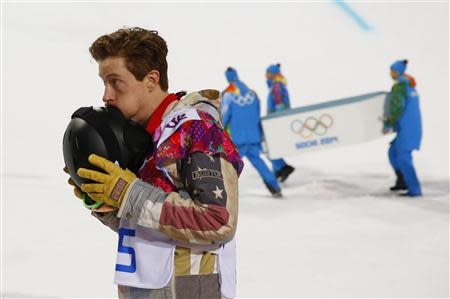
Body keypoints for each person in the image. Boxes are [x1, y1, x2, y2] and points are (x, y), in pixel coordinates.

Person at [65, 27, 243, 299]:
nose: (106, 95)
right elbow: (154, 230)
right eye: (104, 83)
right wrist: (108, 205)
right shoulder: (144, 137)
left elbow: (217, 221)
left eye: (115, 82)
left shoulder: (196, 129)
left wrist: (127, 193)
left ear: (150, 79)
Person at [221, 67, 282, 198]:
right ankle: (275, 187)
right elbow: (257, 113)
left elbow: (224, 116)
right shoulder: (252, 94)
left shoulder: (228, 95)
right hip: (253, 136)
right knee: (258, 162)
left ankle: (220, 193)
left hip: (237, 139)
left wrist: (219, 131)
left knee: (229, 166)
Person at [384, 59, 422, 197]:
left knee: (403, 158)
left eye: (392, 70)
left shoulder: (400, 87)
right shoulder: (410, 86)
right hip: (411, 128)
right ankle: (402, 181)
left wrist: (388, 123)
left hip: (407, 129)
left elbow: (397, 107)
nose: (390, 73)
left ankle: (414, 189)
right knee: (393, 153)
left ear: (397, 72)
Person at [265, 63, 295, 182]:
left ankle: (282, 168)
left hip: (276, 122)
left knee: (270, 147)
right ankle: (277, 172)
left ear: (272, 74)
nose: (266, 76)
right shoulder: (277, 85)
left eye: (267, 73)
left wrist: (276, 122)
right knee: (273, 147)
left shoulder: (277, 87)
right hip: (275, 121)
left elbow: (280, 105)